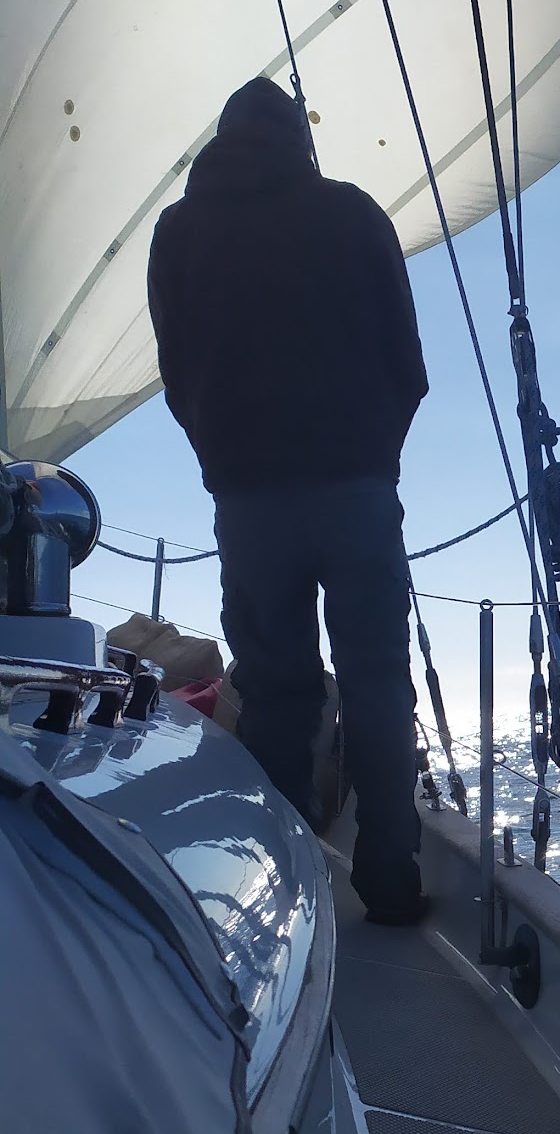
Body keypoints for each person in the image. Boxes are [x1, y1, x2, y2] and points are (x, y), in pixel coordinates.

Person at [147, 76, 430, 922]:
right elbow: (407, 363)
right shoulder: (353, 214)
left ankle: (285, 890)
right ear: (299, 139)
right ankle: (390, 878)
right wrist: (373, 459)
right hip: (356, 492)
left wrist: (223, 460)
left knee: (274, 690)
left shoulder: (178, 232)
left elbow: (176, 370)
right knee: (377, 684)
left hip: (250, 504)